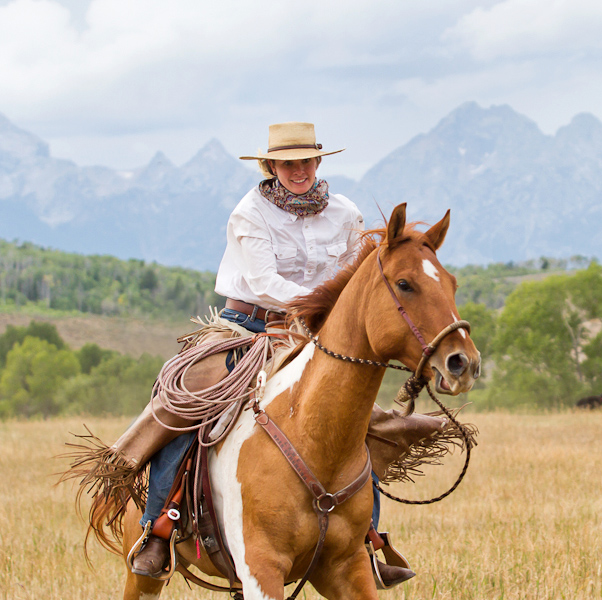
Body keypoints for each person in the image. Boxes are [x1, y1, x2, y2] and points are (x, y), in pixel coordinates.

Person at [128, 122, 415, 587]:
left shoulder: (346, 213)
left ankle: (366, 536)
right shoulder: (250, 213)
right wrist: (320, 309)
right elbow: (263, 282)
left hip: (317, 336)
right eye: (288, 163)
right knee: (187, 400)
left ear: (318, 163)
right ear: (271, 166)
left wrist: (334, 322)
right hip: (247, 327)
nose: (298, 170)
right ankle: (157, 527)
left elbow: (356, 275)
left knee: (354, 420)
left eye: (305, 161)